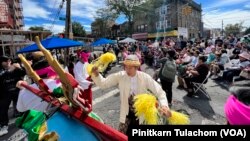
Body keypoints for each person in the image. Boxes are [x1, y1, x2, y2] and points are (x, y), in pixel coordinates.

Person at [91, 54, 171, 135]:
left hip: (141, 115)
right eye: (126, 67)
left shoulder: (144, 77)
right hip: (126, 114)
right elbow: (104, 83)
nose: (127, 70)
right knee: (121, 136)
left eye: (130, 68)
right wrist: (97, 75)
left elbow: (160, 92)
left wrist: (164, 105)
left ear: (136, 67)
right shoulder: (120, 75)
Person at [0, 56, 26, 136]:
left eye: (9, 60)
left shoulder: (15, 68)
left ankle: (24, 121)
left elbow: (23, 73)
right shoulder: (1, 70)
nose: (8, 62)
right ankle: (4, 125)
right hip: (4, 93)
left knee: (22, 106)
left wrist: (20, 67)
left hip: (17, 91)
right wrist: (7, 72)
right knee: (3, 109)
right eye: (5, 61)